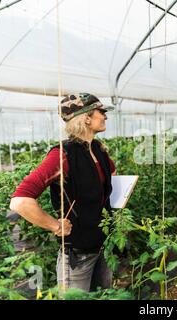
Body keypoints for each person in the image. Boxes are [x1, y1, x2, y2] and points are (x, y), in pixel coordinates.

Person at [10, 93, 117, 292]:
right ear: (86, 118)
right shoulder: (62, 155)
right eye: (101, 112)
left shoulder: (98, 149)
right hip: (78, 255)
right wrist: (54, 225)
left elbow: (111, 175)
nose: (105, 116)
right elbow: (20, 201)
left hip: (104, 245)